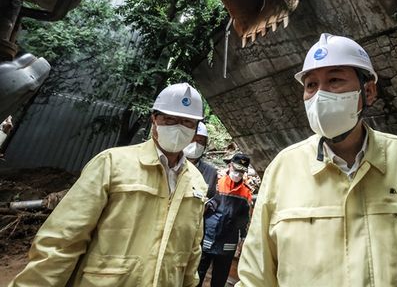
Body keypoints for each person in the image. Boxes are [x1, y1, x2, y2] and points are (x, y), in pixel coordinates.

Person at [236, 33, 397, 287]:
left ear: (369, 91)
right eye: (311, 85)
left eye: (335, 80)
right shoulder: (283, 170)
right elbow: (255, 277)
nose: (320, 95)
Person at [9, 83, 208, 287]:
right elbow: (63, 240)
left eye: (187, 122)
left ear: (195, 129)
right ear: (154, 120)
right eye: (170, 119)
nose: (178, 128)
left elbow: (192, 252)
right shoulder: (112, 164)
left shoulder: (196, 182)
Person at [199, 152, 253, 287]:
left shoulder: (246, 193)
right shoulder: (216, 182)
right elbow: (202, 208)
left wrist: (243, 241)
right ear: (230, 166)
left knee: (220, 278)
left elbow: (244, 221)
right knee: (197, 274)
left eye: (242, 171)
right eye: (236, 169)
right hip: (208, 237)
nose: (238, 174)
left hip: (228, 243)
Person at [184, 121, 218, 198]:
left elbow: (213, 199)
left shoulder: (210, 172)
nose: (195, 144)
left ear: (205, 145)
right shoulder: (171, 164)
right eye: (192, 139)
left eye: (200, 141)